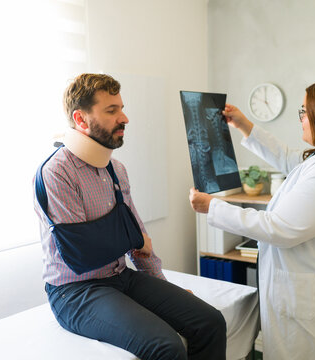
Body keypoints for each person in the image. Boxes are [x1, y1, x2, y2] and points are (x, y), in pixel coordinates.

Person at [189, 78, 315, 360]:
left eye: (304, 111)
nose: (301, 119)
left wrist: (213, 207)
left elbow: (279, 228)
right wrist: (244, 125)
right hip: (311, 297)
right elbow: (288, 159)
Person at [34, 73, 226, 360]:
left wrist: (163, 285)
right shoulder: (57, 172)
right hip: (74, 291)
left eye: (121, 108)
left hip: (120, 276)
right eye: (112, 111)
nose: (124, 118)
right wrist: (134, 239)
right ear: (81, 119)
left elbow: (139, 244)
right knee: (165, 346)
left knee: (210, 322)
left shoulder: (116, 169)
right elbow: (81, 253)